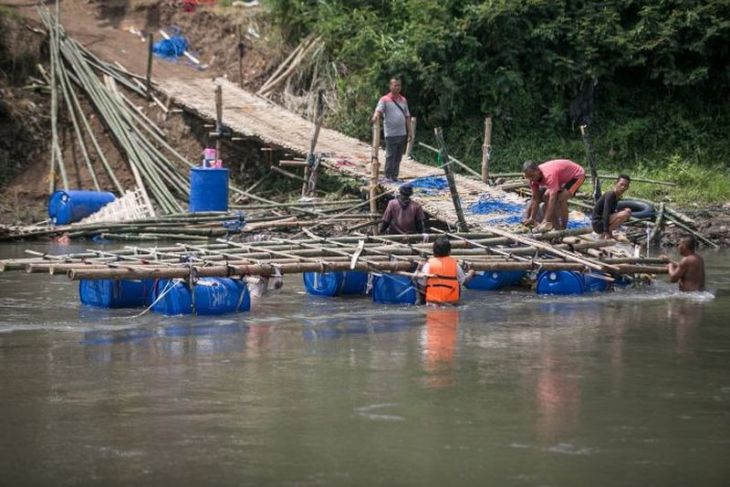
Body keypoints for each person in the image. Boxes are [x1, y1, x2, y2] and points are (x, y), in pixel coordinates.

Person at [523, 159, 586, 231]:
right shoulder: (532, 180)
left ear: (538, 171)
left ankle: (563, 227)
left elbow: (552, 199)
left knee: (561, 198)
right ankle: (556, 225)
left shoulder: (549, 175)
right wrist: (532, 218)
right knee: (546, 196)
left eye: (532, 176)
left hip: (576, 175)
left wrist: (545, 219)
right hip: (561, 177)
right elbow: (535, 198)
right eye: (529, 177)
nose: (531, 179)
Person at [372, 77, 412, 181]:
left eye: (399, 85)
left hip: (402, 133)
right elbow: (378, 110)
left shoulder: (403, 100)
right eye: (395, 85)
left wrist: (410, 132)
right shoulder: (384, 99)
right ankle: (388, 176)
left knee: (398, 156)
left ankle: (394, 175)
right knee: (390, 156)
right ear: (390, 86)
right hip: (390, 133)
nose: (398, 87)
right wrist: (376, 116)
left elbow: (407, 117)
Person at [419, 236, 474, 305]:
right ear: (449, 252)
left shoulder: (428, 265)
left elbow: (422, 285)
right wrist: (471, 273)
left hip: (432, 304)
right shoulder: (456, 265)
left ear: (434, 251)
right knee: (457, 283)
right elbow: (463, 281)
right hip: (452, 303)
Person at [591, 174, 632, 239]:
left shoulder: (616, 196)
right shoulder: (610, 194)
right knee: (625, 214)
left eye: (626, 186)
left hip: (602, 223)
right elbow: (606, 213)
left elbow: (611, 211)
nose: (623, 187)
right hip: (598, 224)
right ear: (616, 183)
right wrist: (606, 231)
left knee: (628, 211)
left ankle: (608, 232)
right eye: (621, 184)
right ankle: (605, 233)